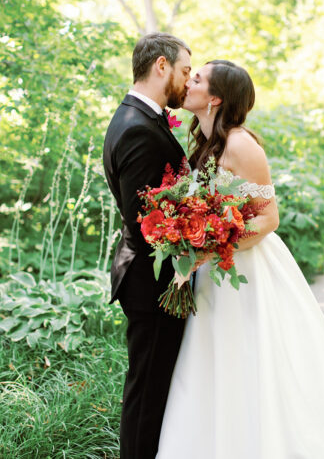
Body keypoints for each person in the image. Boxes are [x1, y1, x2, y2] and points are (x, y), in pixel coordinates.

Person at [156, 60, 324, 458]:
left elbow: (269, 218)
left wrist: (210, 249)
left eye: (196, 79)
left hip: (245, 269)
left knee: (253, 361)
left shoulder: (240, 143)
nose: (188, 82)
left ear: (215, 97)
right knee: (215, 364)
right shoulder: (202, 141)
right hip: (212, 270)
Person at [102, 32, 192, 459]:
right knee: (146, 392)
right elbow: (146, 225)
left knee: (153, 385)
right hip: (151, 282)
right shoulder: (137, 128)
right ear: (161, 66)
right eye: (185, 71)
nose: (188, 82)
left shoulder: (141, 117)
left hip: (152, 278)